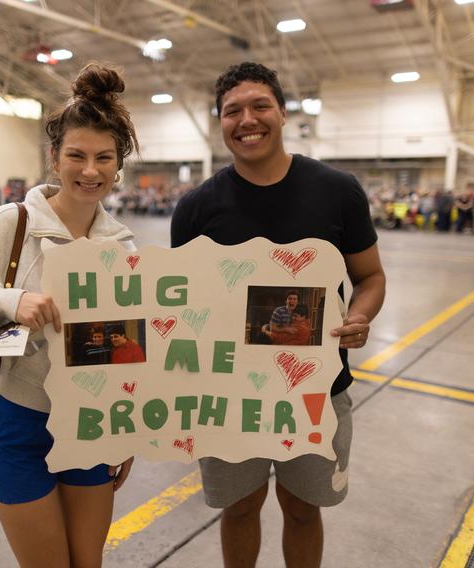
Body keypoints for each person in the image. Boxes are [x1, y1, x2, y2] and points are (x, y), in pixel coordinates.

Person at [171, 62, 386, 568]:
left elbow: (370, 277)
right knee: (240, 508)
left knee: (304, 509)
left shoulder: (337, 190)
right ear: (219, 123)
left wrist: (358, 316)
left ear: (283, 113)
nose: (247, 119)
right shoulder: (196, 208)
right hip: (229, 393)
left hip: (316, 390)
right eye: (232, 111)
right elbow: (182, 303)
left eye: (260, 105)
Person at [0, 63, 137, 568]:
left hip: (92, 424)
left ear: (117, 163)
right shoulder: (12, 224)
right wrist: (3, 299)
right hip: (20, 424)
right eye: (77, 156)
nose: (90, 171)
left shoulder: (123, 245)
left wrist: (128, 429)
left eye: (104, 158)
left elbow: (128, 350)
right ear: (54, 157)